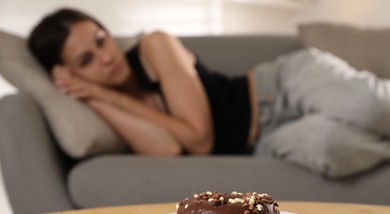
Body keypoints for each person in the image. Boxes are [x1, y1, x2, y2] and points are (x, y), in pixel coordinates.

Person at [28, 8, 390, 176]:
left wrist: (111, 95)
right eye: (87, 60)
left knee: (369, 107)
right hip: (266, 143)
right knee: (328, 147)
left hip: (278, 88)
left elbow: (199, 139)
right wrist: (92, 96)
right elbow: (170, 149)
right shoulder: (108, 104)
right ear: (72, 75)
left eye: (101, 40)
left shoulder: (155, 46)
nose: (106, 58)